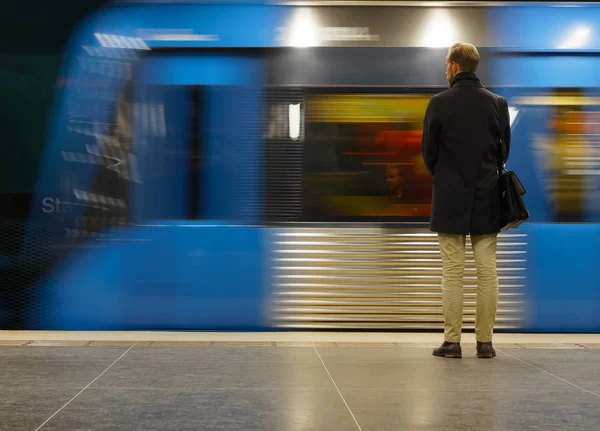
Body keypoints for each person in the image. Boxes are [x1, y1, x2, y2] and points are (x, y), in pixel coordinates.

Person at [421, 43, 511, 359]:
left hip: (449, 197)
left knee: (453, 272)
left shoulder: (438, 103)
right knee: (487, 271)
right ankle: (485, 343)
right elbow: (504, 152)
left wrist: (448, 176)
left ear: (454, 66)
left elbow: (428, 155)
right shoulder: (497, 103)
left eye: (447, 65)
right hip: (487, 196)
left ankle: (452, 342)